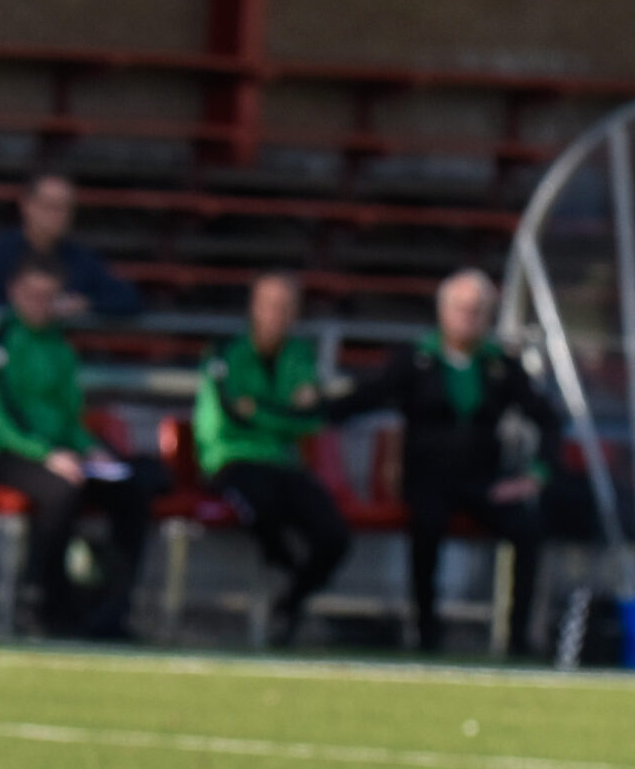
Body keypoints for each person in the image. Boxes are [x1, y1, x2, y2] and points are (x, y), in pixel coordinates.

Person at [330, 268, 559, 654]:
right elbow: (362, 398)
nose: (468, 317)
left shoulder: (499, 365)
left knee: (528, 528)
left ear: (488, 316)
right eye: (460, 308)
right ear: (443, 311)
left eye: (477, 310)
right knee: (427, 524)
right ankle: (427, 632)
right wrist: (309, 407)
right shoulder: (416, 359)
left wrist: (536, 474)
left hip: (483, 482)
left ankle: (518, 638)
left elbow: (548, 419)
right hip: (428, 480)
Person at [0, 254, 160, 639]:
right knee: (62, 490)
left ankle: (110, 610)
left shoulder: (58, 344)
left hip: (56, 452)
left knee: (131, 491)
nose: (40, 304)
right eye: (32, 295)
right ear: (13, 292)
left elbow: (69, 415)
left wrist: (90, 447)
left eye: (48, 297)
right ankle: (48, 606)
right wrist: (47, 455)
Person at [194, 272, 349, 646]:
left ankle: (290, 601)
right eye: (269, 305)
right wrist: (284, 413)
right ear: (254, 307)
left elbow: (311, 418)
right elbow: (234, 414)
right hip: (233, 459)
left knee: (334, 534)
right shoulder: (225, 353)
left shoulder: (299, 355)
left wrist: (260, 410)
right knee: (264, 509)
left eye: (285, 307)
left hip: (283, 462)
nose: (276, 314)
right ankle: (280, 598)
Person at [0, 172, 141, 318]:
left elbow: (128, 299)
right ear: (26, 205)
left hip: (59, 348)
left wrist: (86, 303)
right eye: (49, 206)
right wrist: (28, 309)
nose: (56, 216)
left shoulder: (81, 257)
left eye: (63, 208)